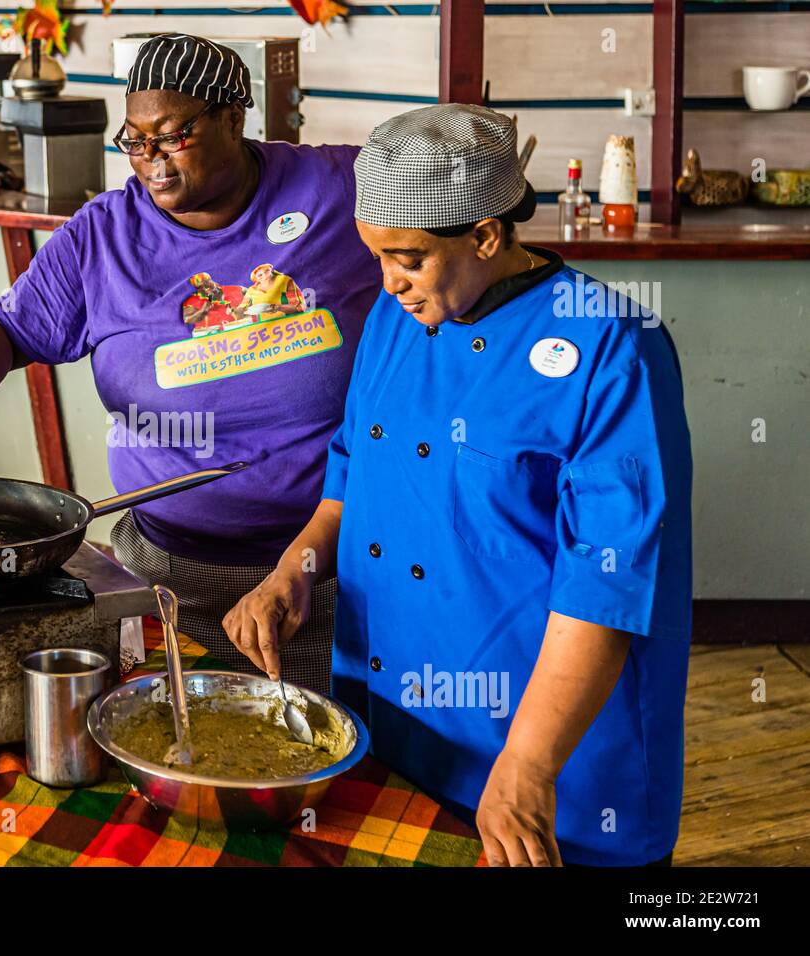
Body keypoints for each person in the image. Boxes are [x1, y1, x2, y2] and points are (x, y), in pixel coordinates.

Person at [224, 104, 693, 866]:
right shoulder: (395, 314)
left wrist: (530, 764)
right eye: (376, 256)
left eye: (409, 258)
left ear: (485, 234)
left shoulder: (615, 349)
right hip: (394, 721)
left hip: (548, 758)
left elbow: (605, 585)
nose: (389, 282)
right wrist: (295, 569)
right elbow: (353, 464)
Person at [0, 34, 381, 691]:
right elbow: (6, 330)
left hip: (326, 576)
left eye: (172, 136)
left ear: (233, 119)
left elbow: (454, 209)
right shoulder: (103, 235)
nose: (149, 160)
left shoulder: (336, 189)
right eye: (133, 140)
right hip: (162, 575)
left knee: (325, 757)